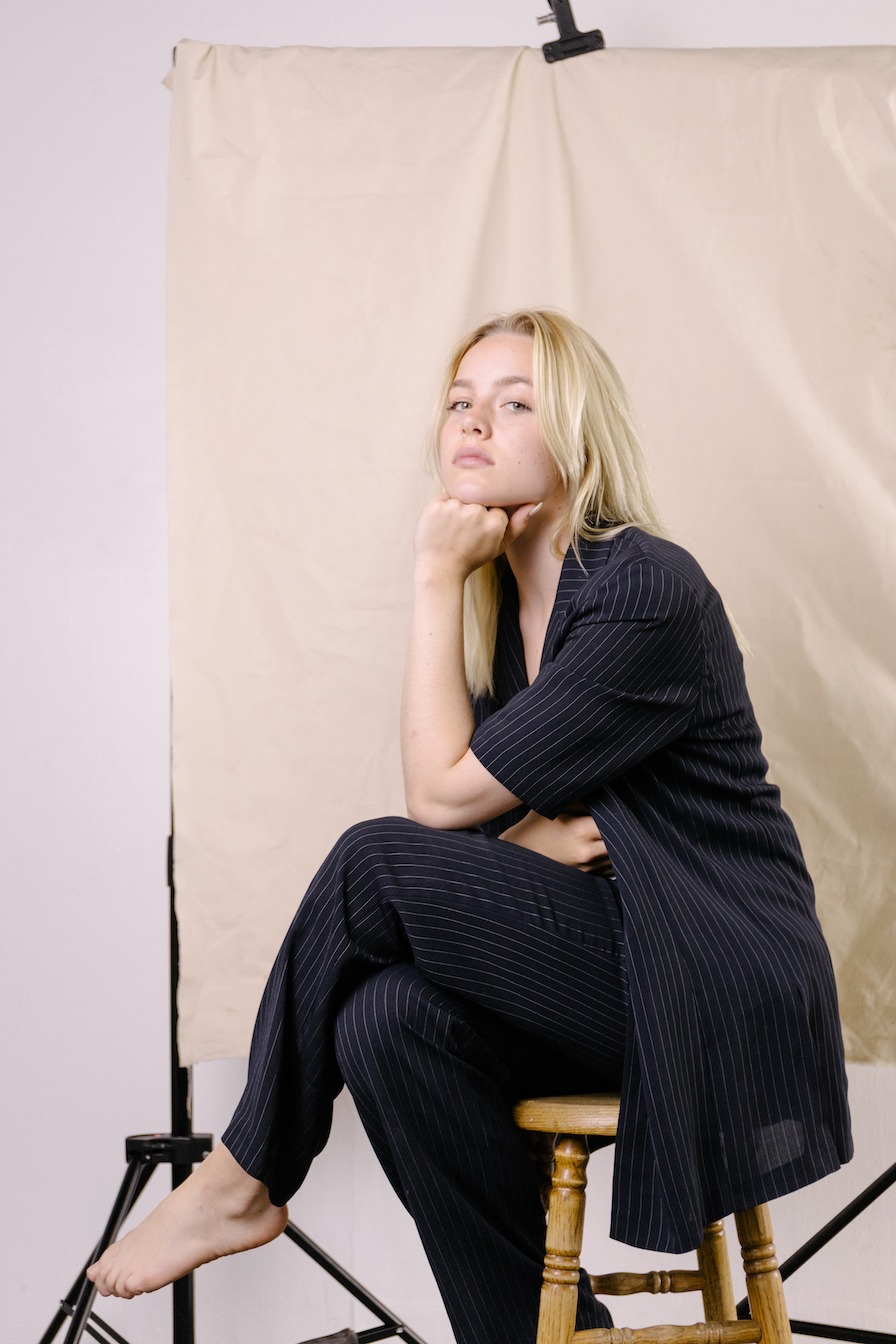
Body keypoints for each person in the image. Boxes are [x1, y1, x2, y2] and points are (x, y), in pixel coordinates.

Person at [88, 310, 852, 1343]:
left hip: (708, 984)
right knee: (384, 1022)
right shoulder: (510, 620)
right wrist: (520, 843)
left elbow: (436, 809)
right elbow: (462, 834)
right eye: (459, 402)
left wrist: (431, 574)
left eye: (514, 403)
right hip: (622, 966)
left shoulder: (643, 592)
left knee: (370, 860)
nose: (474, 423)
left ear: (576, 436)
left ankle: (240, 1178)